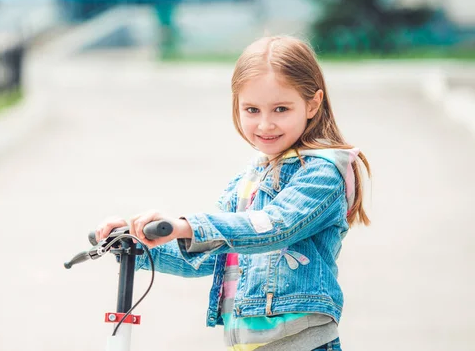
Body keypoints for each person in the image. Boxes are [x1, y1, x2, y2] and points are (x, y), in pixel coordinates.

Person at [96, 36, 371, 351]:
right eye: (252, 109)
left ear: (312, 104)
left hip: (300, 344)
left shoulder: (321, 174)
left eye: (281, 109)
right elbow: (207, 255)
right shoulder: (250, 179)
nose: (265, 124)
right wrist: (135, 245)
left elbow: (274, 226)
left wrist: (186, 224)